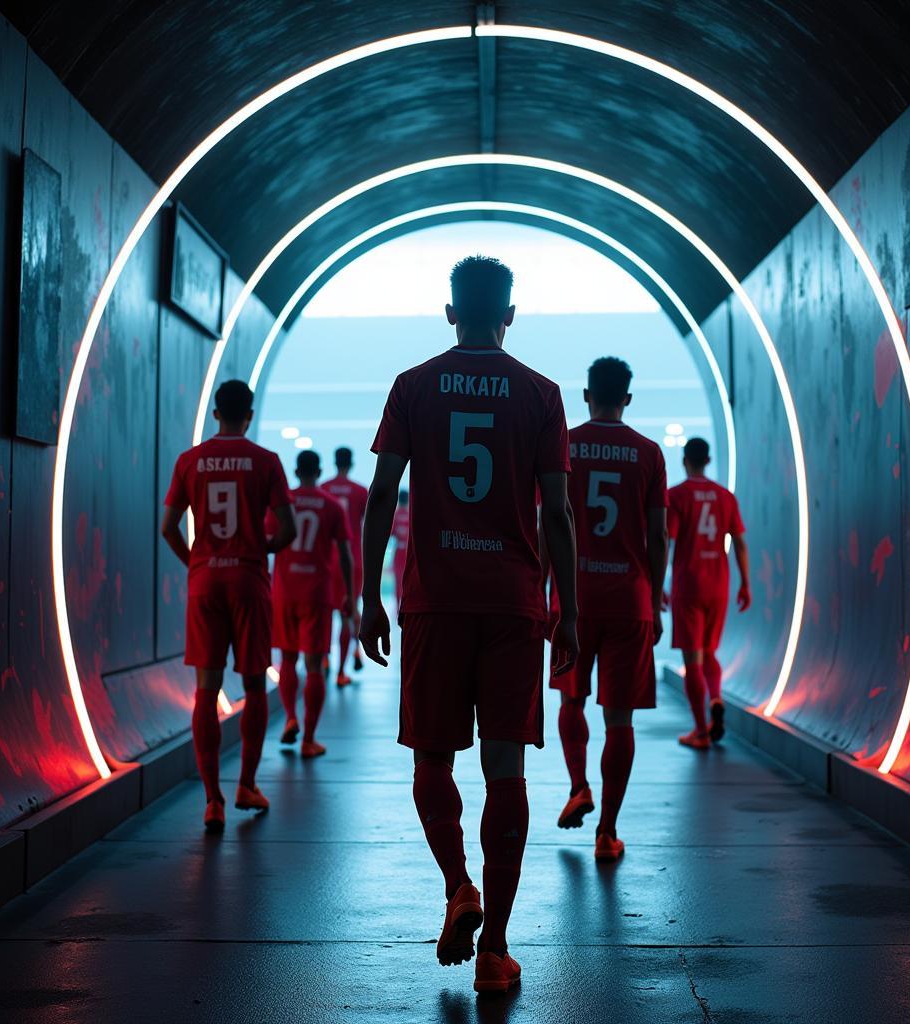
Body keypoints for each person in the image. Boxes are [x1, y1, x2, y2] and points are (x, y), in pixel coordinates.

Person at [358, 255, 578, 995]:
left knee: (431, 762)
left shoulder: (412, 385)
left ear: (450, 313)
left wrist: (367, 595)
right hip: (514, 605)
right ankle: (497, 953)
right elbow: (560, 514)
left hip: (432, 600)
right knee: (506, 770)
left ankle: (458, 887)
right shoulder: (542, 395)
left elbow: (381, 496)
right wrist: (568, 609)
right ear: (510, 315)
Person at [160, 380, 295, 832]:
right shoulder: (266, 462)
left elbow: (168, 527)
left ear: (215, 413)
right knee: (255, 685)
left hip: (206, 582)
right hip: (249, 579)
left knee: (205, 687)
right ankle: (247, 785)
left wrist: (196, 563)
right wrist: (260, 546)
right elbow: (288, 531)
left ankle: (212, 800)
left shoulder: (189, 461)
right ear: (249, 415)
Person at [550, 357, 668, 863]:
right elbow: (658, 534)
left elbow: (549, 519)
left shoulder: (567, 445)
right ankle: (607, 832)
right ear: (628, 398)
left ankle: (578, 784)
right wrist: (656, 597)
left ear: (585, 395)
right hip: (629, 599)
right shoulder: (648, 453)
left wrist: (544, 590)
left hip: (575, 598)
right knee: (619, 721)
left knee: (571, 702)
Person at [666, 437, 750, 749]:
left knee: (692, 659)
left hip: (689, 585)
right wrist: (745, 583)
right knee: (710, 653)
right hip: (719, 585)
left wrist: (655, 583)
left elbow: (668, 539)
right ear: (709, 460)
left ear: (685, 460)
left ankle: (700, 730)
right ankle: (715, 697)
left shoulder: (676, 496)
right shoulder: (725, 497)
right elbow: (740, 543)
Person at [271, 450, 354, 758]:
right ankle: (308, 739)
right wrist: (346, 591)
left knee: (288, 659)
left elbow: (267, 540)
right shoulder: (332, 506)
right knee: (315, 665)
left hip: (285, 591)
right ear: (319, 471)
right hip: (318, 593)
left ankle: (290, 716)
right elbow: (344, 552)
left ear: (295, 470)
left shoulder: (283, 502)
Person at [321, 447, 369, 686]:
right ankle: (341, 671)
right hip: (352, 561)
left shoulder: (324, 489)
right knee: (348, 613)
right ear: (350, 464)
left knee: (326, 613)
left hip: (327, 561)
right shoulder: (360, 492)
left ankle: (325, 659)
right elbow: (368, 525)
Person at [390, 488, 410, 612]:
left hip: (398, 552)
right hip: (408, 553)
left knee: (398, 582)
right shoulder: (410, 514)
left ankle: (399, 609)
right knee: (407, 581)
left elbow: (390, 533)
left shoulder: (395, 515)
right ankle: (407, 607)